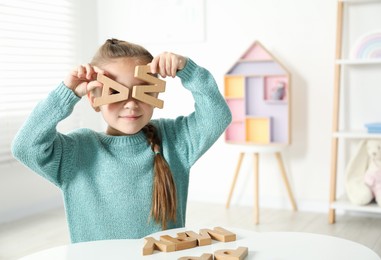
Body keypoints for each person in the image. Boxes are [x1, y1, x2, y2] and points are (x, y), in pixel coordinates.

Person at [12, 38, 232, 243]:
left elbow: (217, 116)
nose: (130, 103)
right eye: (115, 92)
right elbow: (26, 146)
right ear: (94, 98)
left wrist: (188, 71)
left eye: (142, 90)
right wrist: (66, 94)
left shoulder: (174, 140)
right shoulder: (77, 151)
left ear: (156, 95)